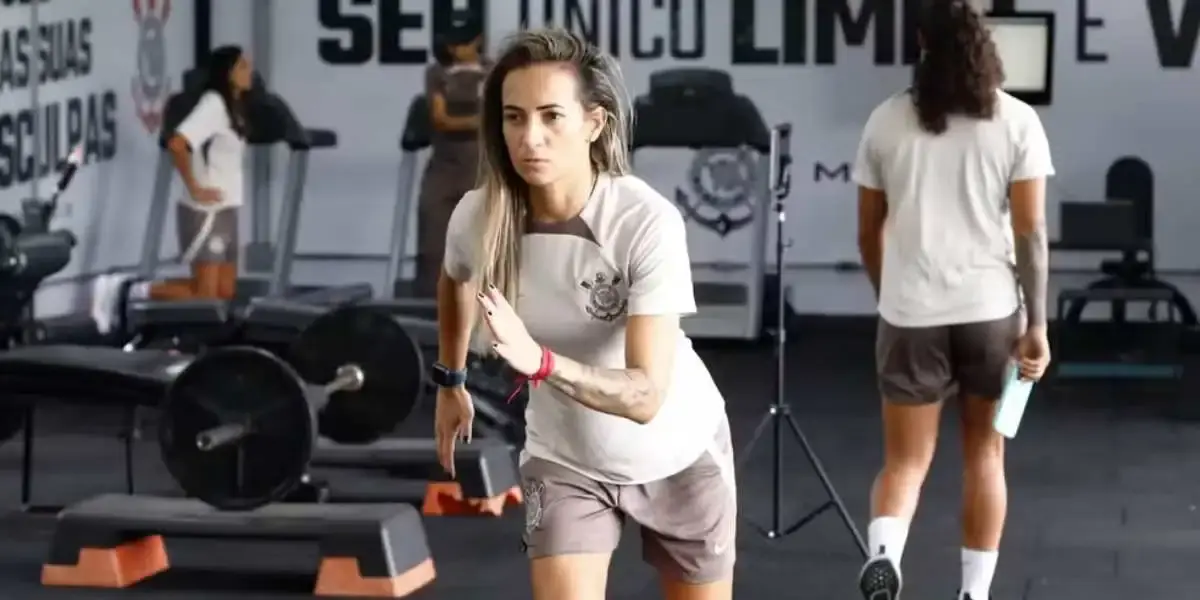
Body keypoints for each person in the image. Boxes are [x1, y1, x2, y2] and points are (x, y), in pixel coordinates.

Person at [431, 29, 736, 600]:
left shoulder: (643, 221)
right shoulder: (479, 215)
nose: (531, 138)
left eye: (551, 117)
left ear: (594, 124)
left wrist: (541, 363)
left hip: (679, 451)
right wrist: (452, 380)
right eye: (514, 118)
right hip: (565, 456)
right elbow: (455, 277)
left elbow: (646, 396)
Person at [852, 2, 1053, 599]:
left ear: (919, 40)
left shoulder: (885, 122)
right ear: (982, 42)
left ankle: (885, 557)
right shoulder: (1016, 121)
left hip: (910, 315)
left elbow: (867, 231)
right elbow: (1030, 233)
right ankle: (974, 594)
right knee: (985, 459)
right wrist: (1037, 322)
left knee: (904, 464)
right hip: (991, 314)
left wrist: (889, 294)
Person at [149, 45, 252, 301]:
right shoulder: (213, 104)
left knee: (225, 292)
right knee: (205, 295)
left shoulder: (233, 108)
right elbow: (178, 144)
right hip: (206, 212)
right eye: (242, 66)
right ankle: (128, 292)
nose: (249, 71)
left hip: (227, 208)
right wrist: (195, 187)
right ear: (226, 73)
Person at [414, 20, 487, 297]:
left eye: (462, 43)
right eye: (452, 44)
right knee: (431, 231)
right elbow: (441, 119)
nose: (456, 50)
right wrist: (482, 120)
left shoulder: (493, 72)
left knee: (481, 240)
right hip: (444, 165)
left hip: (480, 166)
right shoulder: (437, 72)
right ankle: (426, 306)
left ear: (477, 41)